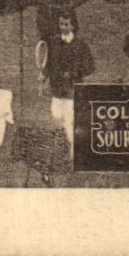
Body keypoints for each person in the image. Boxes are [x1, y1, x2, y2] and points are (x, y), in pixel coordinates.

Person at [44, 13, 96, 153]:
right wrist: (44, 75)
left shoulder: (80, 46)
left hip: (72, 91)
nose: (63, 27)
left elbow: (90, 67)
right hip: (56, 90)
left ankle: (74, 154)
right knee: (56, 119)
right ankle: (61, 153)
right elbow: (49, 64)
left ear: (73, 26)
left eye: (66, 24)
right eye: (61, 24)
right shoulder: (54, 44)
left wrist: (73, 73)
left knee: (70, 122)